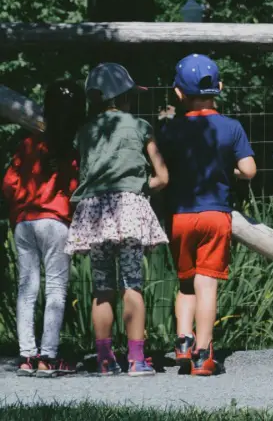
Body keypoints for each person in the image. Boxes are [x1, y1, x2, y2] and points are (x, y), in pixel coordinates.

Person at [68, 63, 169, 377]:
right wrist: (138, 189)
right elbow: (162, 177)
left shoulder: (84, 131)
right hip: (127, 210)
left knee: (102, 288)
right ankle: (136, 360)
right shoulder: (140, 127)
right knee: (132, 284)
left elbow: (78, 172)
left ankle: (104, 359)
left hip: (94, 212)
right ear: (123, 96)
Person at [159, 54, 257, 376]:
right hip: (216, 215)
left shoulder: (170, 130)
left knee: (186, 282)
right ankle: (203, 353)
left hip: (181, 216)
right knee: (208, 284)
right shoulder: (231, 127)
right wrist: (230, 169)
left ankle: (183, 341)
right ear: (220, 88)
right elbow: (249, 170)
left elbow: (163, 168)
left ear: (178, 93)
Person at [3, 81, 86, 376]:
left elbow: (9, 184)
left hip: (25, 223)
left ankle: (26, 355)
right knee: (56, 290)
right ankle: (48, 357)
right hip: (57, 222)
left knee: (27, 288)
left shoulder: (27, 144)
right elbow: (75, 191)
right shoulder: (72, 152)